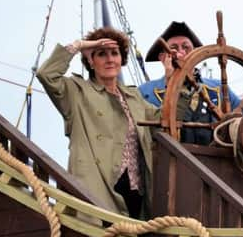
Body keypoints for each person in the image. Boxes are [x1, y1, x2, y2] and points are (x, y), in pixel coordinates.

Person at [37, 27, 157, 220]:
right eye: (101, 54)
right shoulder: (76, 92)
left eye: (114, 53)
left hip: (135, 189)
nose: (110, 59)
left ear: (121, 60)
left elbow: (164, 118)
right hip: (98, 186)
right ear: (91, 62)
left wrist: (174, 76)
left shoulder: (134, 97)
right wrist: (79, 46)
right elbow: (46, 74)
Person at [139, 21, 243, 145]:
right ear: (163, 57)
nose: (181, 53)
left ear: (196, 53)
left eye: (186, 47)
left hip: (215, 172)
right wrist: (172, 82)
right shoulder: (145, 93)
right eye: (174, 48)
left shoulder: (217, 89)